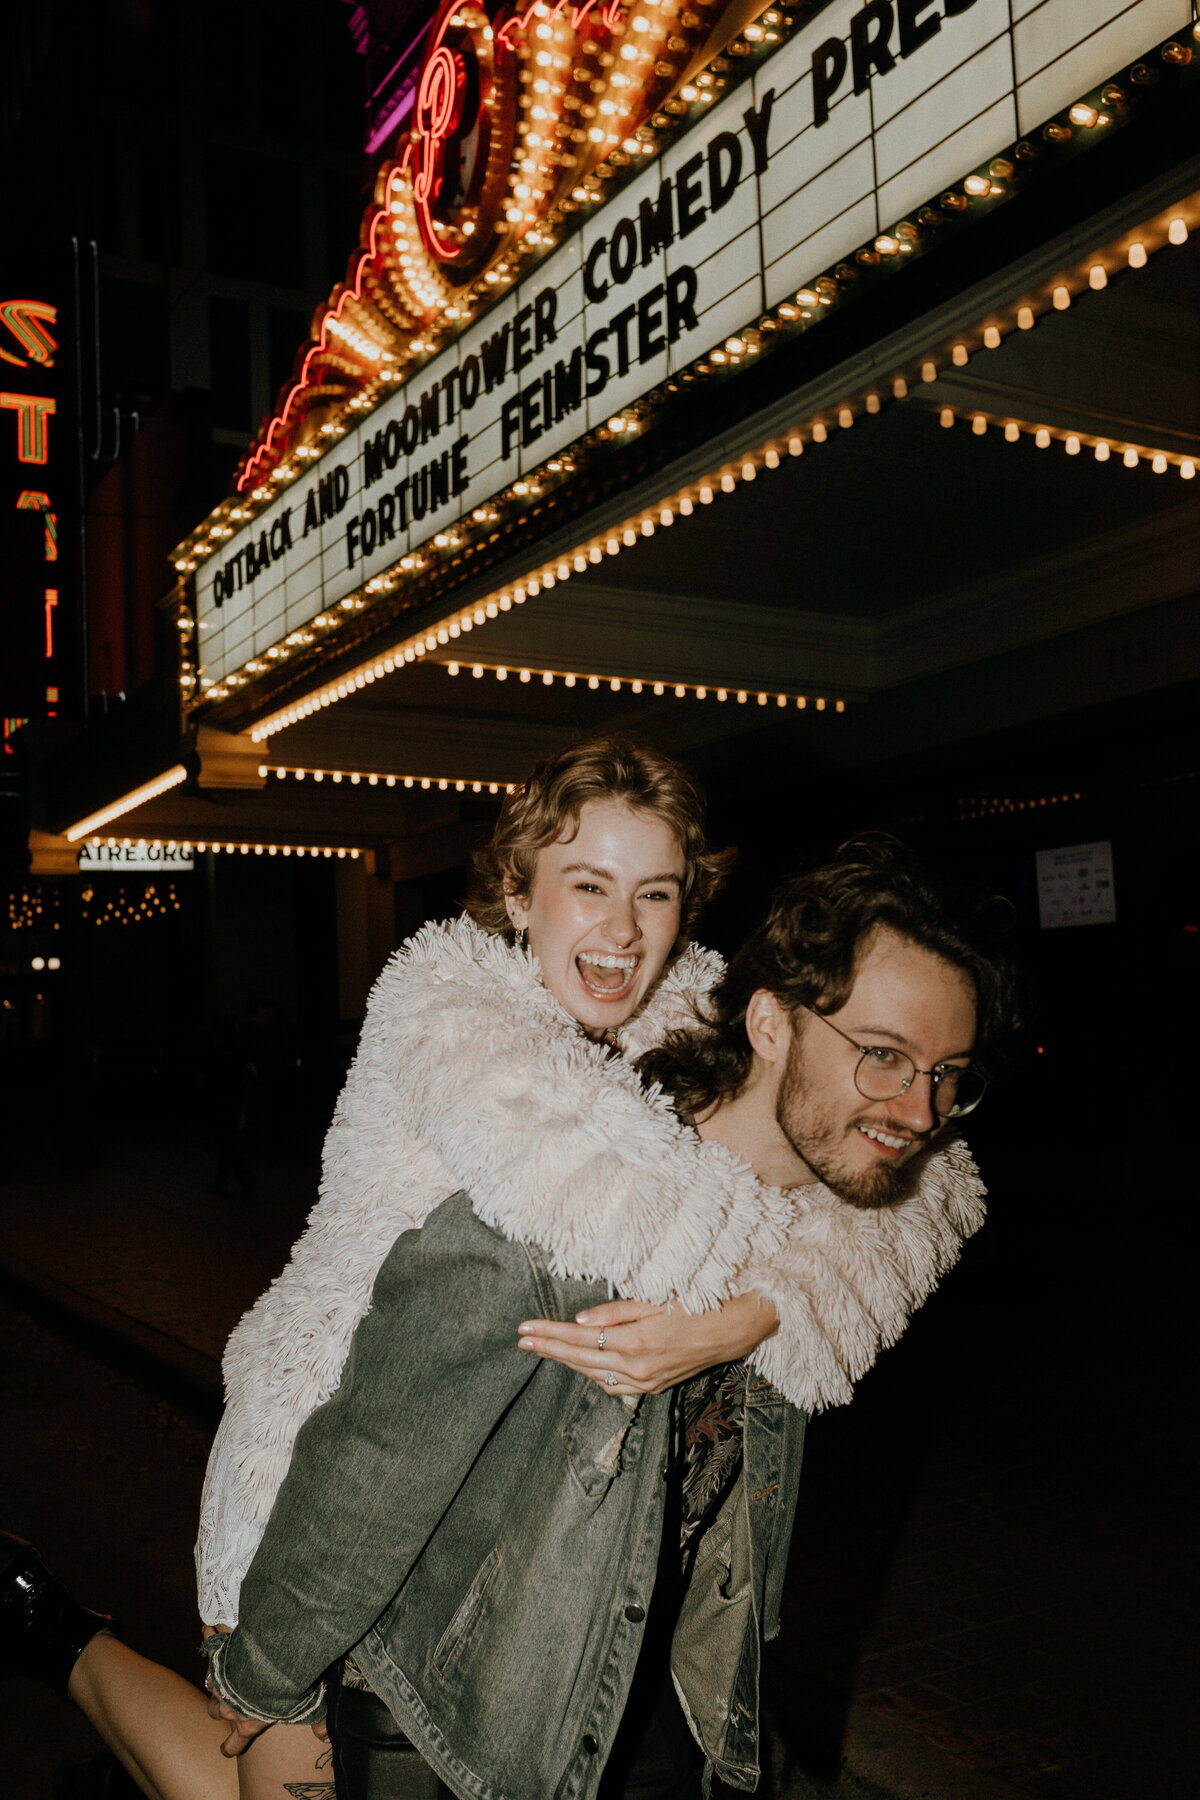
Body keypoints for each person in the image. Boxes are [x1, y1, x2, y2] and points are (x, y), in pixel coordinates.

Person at [2, 741, 992, 1800]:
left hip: (477, 1481)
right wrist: (785, 1199)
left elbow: (927, 1186)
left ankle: (54, 1632)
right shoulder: (462, 1025)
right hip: (325, 1451)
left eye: (656, 893)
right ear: (517, 894)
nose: (622, 932)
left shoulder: (682, 1010)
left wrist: (751, 1318)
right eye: (587, 886)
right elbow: (618, 1220)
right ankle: (62, 1638)